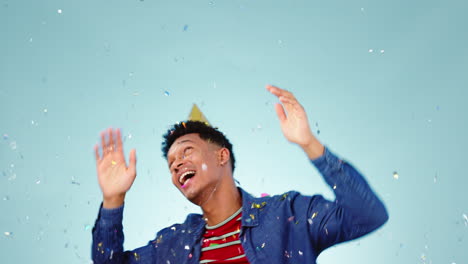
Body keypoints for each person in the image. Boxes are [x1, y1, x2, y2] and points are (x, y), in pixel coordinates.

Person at [91, 85, 389, 264]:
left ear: (222, 156)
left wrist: (309, 144)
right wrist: (113, 199)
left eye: (186, 151)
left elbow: (366, 215)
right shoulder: (173, 243)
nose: (177, 164)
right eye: (171, 164)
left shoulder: (287, 214)